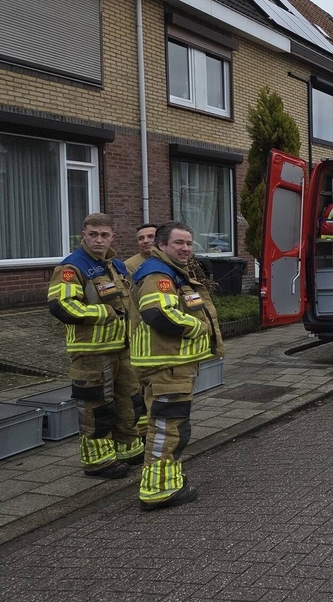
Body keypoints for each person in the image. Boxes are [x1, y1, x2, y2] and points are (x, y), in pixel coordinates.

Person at [47, 213, 145, 479]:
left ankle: (128, 449)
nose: (98, 240)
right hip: (91, 351)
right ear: (84, 235)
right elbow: (62, 305)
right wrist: (104, 313)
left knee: (129, 400)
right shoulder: (72, 267)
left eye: (104, 235)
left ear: (113, 236)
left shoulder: (116, 265)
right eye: (93, 234)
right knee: (97, 406)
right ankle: (98, 461)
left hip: (122, 347)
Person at [131, 221, 218, 510]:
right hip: (166, 363)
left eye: (189, 243)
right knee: (168, 428)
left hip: (169, 362)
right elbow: (158, 313)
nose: (185, 248)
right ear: (162, 245)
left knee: (168, 426)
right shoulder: (159, 274)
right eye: (179, 243)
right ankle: (158, 490)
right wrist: (198, 327)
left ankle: (164, 482)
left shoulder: (169, 270)